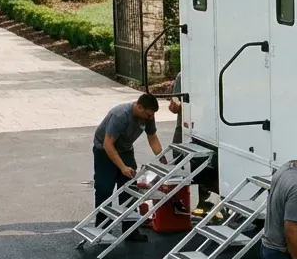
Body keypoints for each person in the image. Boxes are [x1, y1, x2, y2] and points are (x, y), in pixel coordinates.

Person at [92, 94, 161, 239]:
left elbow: (152, 137)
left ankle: (130, 231)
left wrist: (162, 158)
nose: (150, 117)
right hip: (104, 150)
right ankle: (102, 229)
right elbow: (108, 144)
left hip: (125, 150)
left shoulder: (148, 115)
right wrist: (122, 167)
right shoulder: (121, 115)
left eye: (152, 115)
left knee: (130, 190)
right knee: (104, 189)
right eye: (148, 114)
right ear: (139, 106)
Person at [167, 74, 216, 210]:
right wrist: (175, 106)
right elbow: (174, 105)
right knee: (177, 158)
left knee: (205, 163)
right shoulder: (182, 76)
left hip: (206, 125)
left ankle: (203, 200)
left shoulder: (210, 68)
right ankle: (177, 201)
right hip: (185, 125)